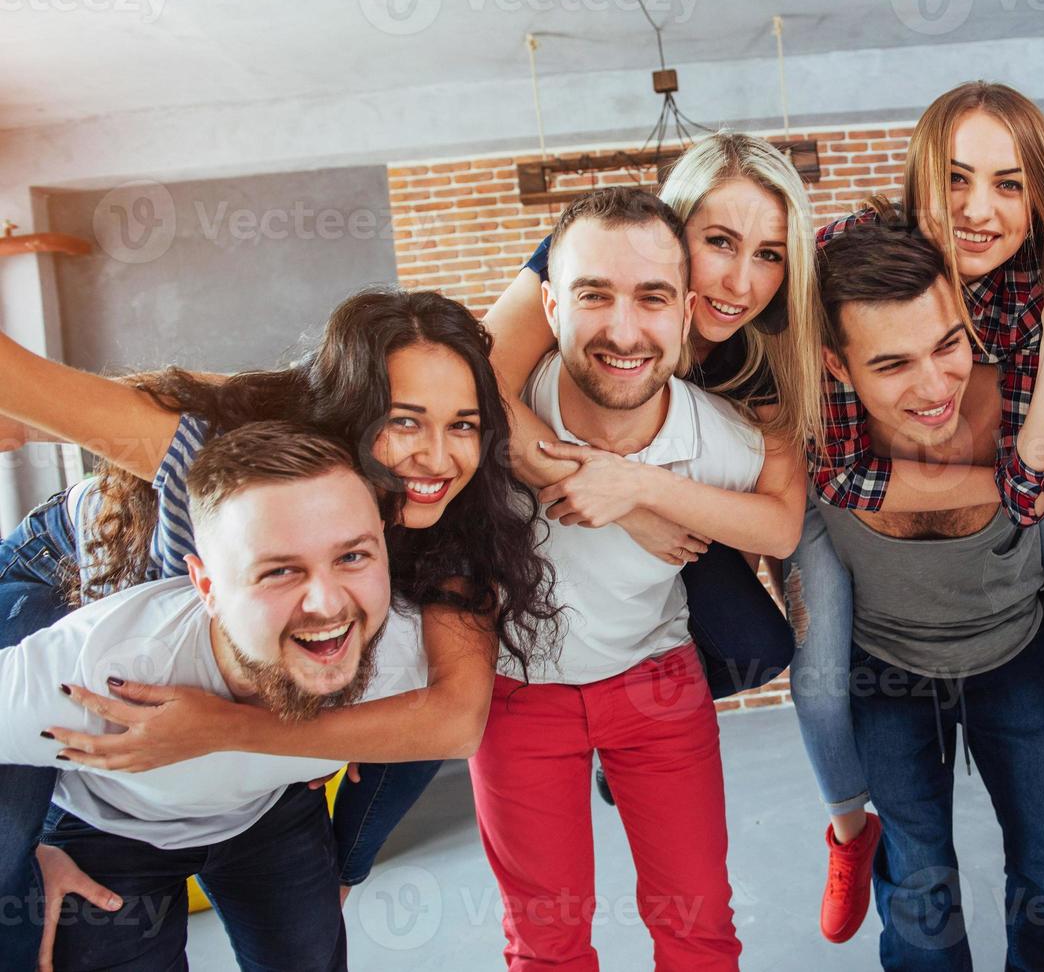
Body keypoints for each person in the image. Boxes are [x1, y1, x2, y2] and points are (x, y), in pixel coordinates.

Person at [0, 289, 557, 964]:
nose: (436, 458)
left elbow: (452, 718)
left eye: (462, 426)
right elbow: (24, 383)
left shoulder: (450, 529)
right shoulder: (228, 459)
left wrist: (227, 729)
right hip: (55, 566)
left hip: (233, 738)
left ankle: (340, 866)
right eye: (404, 422)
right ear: (350, 416)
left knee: (395, 734)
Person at [794, 80, 1044, 942]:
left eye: (1007, 183)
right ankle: (848, 827)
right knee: (820, 685)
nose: (978, 210)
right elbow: (844, 472)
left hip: (1006, 635)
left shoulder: (1042, 301)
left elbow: (1035, 496)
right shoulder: (844, 265)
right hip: (883, 638)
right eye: (955, 179)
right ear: (920, 176)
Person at [467, 187, 791, 970]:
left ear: (686, 311)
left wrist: (642, 491)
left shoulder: (724, 441)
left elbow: (780, 522)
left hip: (657, 687)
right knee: (545, 944)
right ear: (548, 305)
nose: (622, 329)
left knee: (698, 928)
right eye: (592, 296)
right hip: (516, 696)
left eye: (650, 299)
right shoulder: (489, 428)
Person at [3, 423, 434, 969]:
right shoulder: (105, 672)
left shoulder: (406, 653)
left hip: (263, 814)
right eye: (280, 571)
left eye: (352, 558)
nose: (328, 605)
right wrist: (25, 855)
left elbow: (449, 727)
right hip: (111, 828)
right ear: (206, 588)